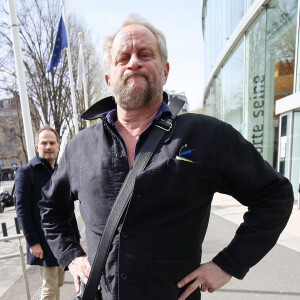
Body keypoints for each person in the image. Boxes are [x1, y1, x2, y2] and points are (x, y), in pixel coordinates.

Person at [39, 15, 294, 300]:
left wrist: (229, 263)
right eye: (123, 57)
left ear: (165, 70)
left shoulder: (205, 135)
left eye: (145, 54)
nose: (133, 62)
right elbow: (50, 208)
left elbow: (275, 196)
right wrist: (72, 256)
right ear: (109, 79)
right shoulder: (79, 148)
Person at [15, 125, 80, 300]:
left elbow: (68, 208)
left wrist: (77, 237)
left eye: (52, 142)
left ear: (58, 146)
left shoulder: (61, 171)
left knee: (58, 283)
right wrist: (33, 241)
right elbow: (22, 210)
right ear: (37, 147)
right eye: (44, 143)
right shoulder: (26, 172)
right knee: (50, 289)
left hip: (64, 240)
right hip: (44, 241)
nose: (48, 146)